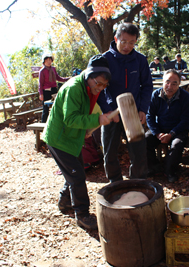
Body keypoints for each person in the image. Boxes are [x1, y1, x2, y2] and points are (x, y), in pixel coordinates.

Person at [43, 55, 113, 230]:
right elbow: (70, 118)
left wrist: (87, 130)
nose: (101, 88)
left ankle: (64, 203)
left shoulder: (89, 87)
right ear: (89, 76)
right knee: (77, 176)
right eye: (98, 84)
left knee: (75, 172)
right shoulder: (74, 88)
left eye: (105, 86)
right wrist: (97, 119)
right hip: (59, 138)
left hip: (71, 138)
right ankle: (82, 214)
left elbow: (81, 113)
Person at [98, 22, 153, 183]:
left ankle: (138, 183)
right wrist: (107, 110)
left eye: (131, 42)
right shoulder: (104, 59)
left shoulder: (140, 60)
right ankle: (115, 183)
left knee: (138, 152)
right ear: (116, 39)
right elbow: (98, 89)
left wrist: (143, 109)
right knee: (109, 152)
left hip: (133, 112)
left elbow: (147, 86)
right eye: (123, 41)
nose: (127, 46)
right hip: (111, 112)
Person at [146, 69, 189, 182]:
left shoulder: (185, 96)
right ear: (162, 82)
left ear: (179, 84)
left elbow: (186, 120)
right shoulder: (156, 95)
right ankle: (155, 167)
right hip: (160, 129)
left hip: (178, 130)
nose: (169, 86)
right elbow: (149, 116)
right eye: (167, 82)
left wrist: (171, 134)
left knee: (177, 145)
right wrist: (157, 133)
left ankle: (169, 171)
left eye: (174, 83)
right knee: (144, 139)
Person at [38, 53, 69, 122]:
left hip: (54, 89)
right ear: (44, 61)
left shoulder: (53, 69)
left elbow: (58, 78)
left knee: (57, 107)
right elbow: (40, 83)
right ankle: (43, 125)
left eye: (50, 60)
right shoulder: (42, 71)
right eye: (47, 60)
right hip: (46, 91)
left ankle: (56, 122)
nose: (49, 62)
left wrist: (67, 79)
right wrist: (41, 94)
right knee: (46, 109)